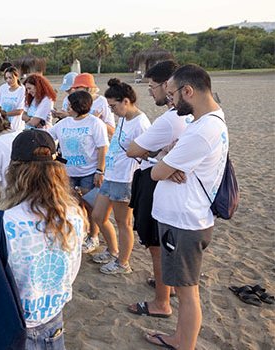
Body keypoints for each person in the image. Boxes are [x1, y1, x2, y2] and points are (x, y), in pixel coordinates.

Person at [0, 129, 85, 349]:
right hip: (52, 315)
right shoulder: (73, 213)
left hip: (13, 319)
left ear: (14, 170)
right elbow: (73, 266)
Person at [146, 64, 228, 350]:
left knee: (187, 291)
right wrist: (170, 159)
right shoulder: (211, 120)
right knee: (183, 289)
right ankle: (180, 338)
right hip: (188, 217)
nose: (171, 101)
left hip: (185, 221)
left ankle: (185, 344)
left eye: (172, 95)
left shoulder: (201, 130)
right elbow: (169, 163)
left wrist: (165, 162)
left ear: (188, 91)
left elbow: (156, 173)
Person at [124, 60, 189, 320]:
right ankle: (168, 286)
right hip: (172, 185)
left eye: (152, 87)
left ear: (167, 85)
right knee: (166, 242)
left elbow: (133, 150)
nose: (150, 92)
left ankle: (162, 301)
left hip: (155, 183)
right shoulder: (193, 116)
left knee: (156, 244)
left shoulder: (170, 119)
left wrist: (153, 152)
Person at [91, 79, 150, 275]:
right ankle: (112, 250)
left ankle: (123, 262)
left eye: (114, 106)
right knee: (98, 215)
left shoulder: (141, 123)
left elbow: (147, 152)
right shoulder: (125, 118)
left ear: (126, 101)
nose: (112, 110)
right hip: (111, 174)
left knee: (123, 222)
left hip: (125, 179)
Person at [49, 90, 109, 254]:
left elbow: (103, 147)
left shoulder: (94, 123)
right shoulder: (64, 123)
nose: (67, 107)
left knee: (90, 206)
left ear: (79, 106)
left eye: (70, 104)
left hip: (89, 172)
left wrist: (100, 170)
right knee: (72, 205)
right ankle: (79, 232)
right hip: (68, 172)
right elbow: (49, 136)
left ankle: (93, 236)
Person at [70, 73, 116, 138]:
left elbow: (112, 131)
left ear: (88, 88)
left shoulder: (102, 102)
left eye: (77, 87)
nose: (74, 90)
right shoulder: (75, 100)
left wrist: (96, 120)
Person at [0, 66, 26, 132]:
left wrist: (5, 114)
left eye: (10, 78)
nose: (8, 80)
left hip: (16, 127)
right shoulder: (3, 88)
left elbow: (20, 111)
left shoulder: (22, 90)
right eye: (6, 78)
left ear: (17, 77)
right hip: (2, 126)